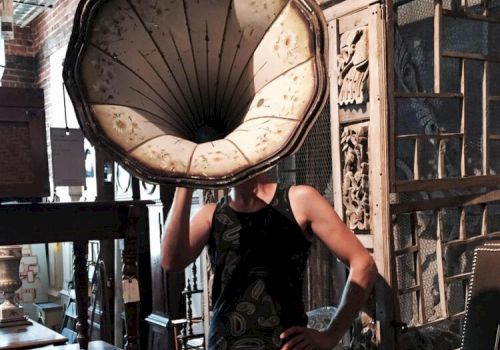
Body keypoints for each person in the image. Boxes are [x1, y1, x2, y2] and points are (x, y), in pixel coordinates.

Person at [161, 172, 377, 350]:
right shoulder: (212, 214)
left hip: (284, 344)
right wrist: (183, 181)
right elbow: (170, 261)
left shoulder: (299, 201)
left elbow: (363, 264)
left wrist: (331, 335)